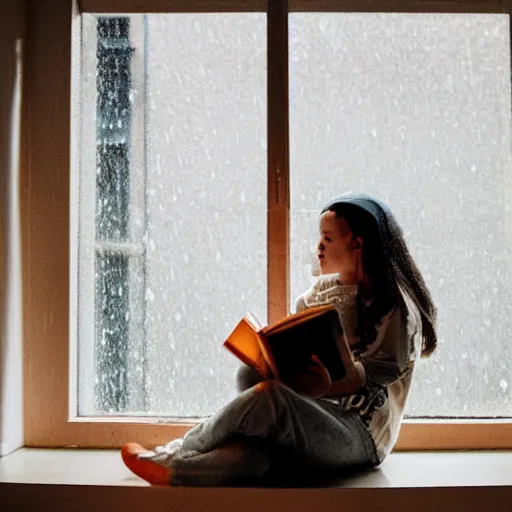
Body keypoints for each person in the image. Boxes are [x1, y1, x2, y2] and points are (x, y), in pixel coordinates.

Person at [121, 192, 437, 486]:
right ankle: (177, 471)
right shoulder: (321, 296)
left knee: (271, 398)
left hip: (360, 433)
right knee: (253, 399)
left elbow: (375, 372)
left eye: (328, 239)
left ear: (358, 244)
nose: (319, 248)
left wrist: (327, 384)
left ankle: (178, 451)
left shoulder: (396, 306)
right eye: (319, 239)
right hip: (319, 415)